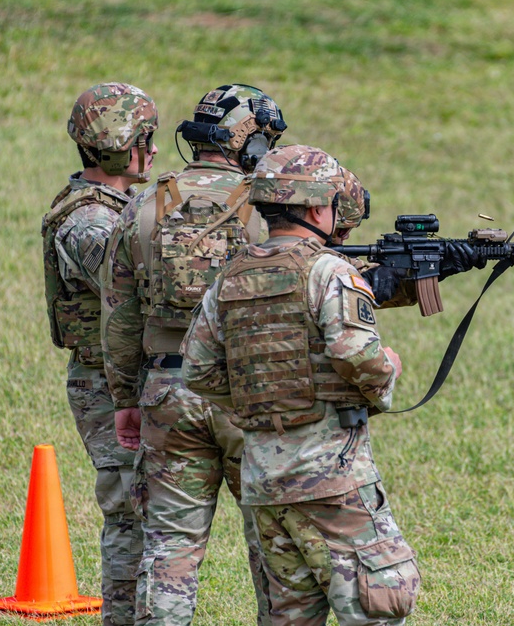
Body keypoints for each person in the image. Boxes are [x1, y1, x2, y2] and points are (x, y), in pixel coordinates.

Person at [181, 144, 421, 625]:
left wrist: (264, 402)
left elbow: (198, 370)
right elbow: (358, 356)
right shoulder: (329, 272)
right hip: (332, 477)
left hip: (264, 484)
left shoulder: (231, 275)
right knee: (382, 603)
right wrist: (389, 370)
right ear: (316, 207)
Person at [101, 83, 286, 625]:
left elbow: (120, 317)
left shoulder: (142, 205)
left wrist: (124, 398)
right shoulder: (272, 208)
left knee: (168, 551)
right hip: (247, 397)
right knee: (273, 548)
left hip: (167, 392)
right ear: (249, 143)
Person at [42, 82, 158, 626]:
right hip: (106, 384)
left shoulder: (122, 206)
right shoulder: (87, 222)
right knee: (131, 515)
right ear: (118, 147)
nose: (154, 151)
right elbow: (139, 285)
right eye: (145, 139)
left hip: (132, 377)